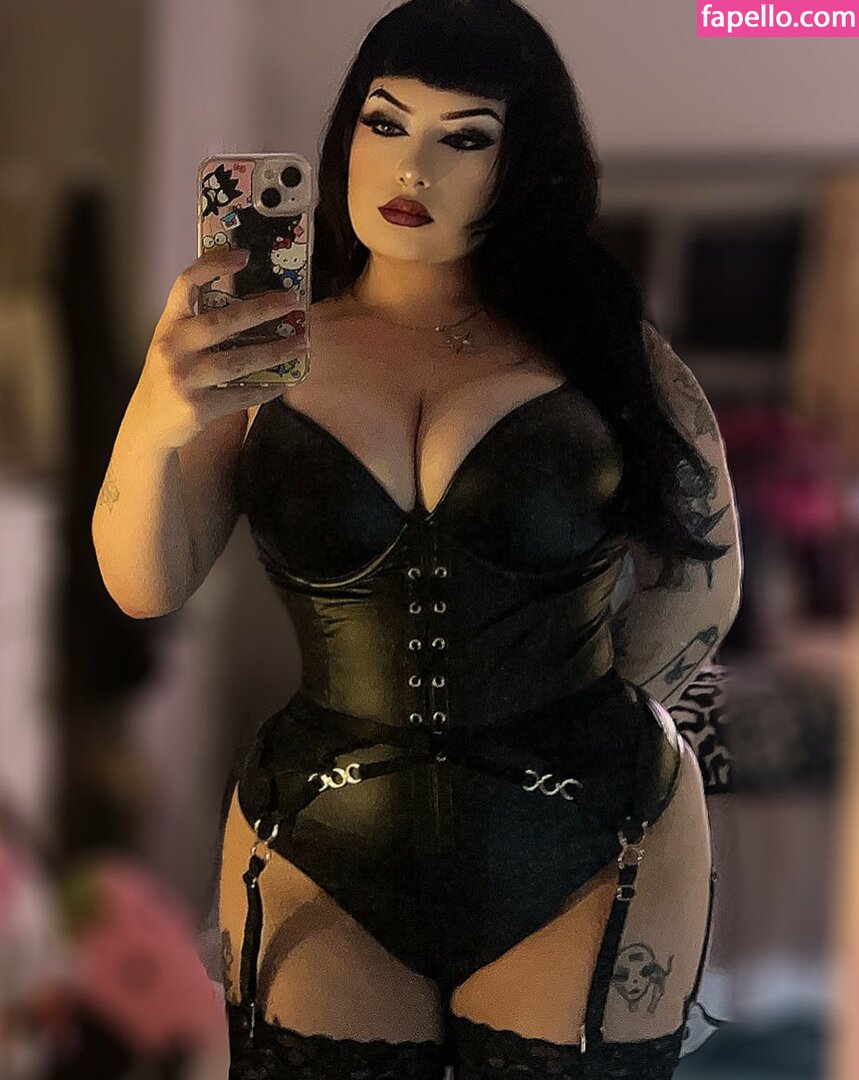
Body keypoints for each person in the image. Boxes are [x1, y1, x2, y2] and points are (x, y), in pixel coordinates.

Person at [92, 1, 743, 1075]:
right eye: (386, 122)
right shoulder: (255, 355)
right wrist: (158, 417)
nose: (413, 167)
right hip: (320, 841)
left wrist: (568, 731)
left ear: (522, 162)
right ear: (345, 131)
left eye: (465, 137)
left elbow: (701, 589)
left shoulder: (606, 352)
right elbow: (142, 587)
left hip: (597, 838)